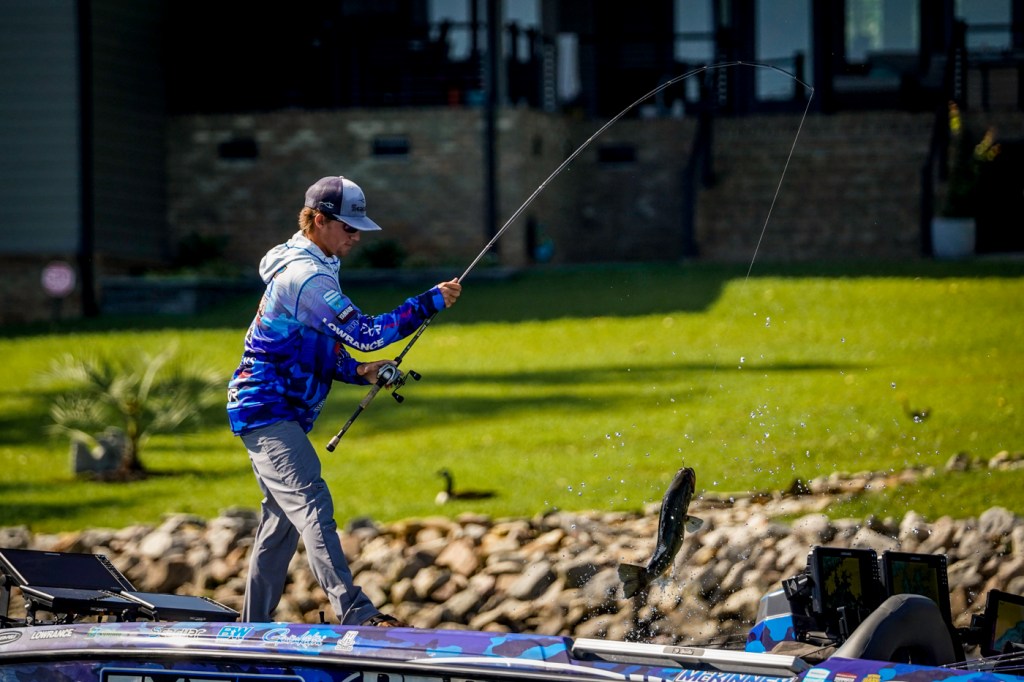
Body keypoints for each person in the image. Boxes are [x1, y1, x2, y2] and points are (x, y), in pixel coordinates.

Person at [227, 175, 461, 626]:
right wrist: (428, 302)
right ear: (318, 220)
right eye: (349, 228)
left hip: (275, 408)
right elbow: (366, 333)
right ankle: (353, 611)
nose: (356, 237)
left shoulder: (320, 264)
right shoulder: (305, 277)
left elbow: (317, 346)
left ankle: (249, 628)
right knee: (312, 500)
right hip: (265, 407)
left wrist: (358, 371)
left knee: (280, 525)